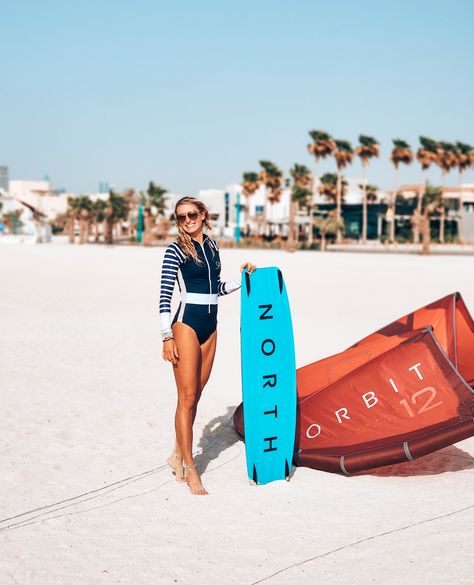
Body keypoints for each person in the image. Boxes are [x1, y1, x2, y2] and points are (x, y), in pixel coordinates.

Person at [160, 196, 256, 495]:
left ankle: (176, 453)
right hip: (185, 325)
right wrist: (166, 336)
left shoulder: (213, 247)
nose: (187, 220)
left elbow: (217, 290)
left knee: (196, 396)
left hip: (210, 328)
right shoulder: (175, 250)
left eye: (191, 214)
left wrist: (242, 280)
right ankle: (190, 467)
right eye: (180, 217)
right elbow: (164, 295)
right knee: (186, 398)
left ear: (203, 215)